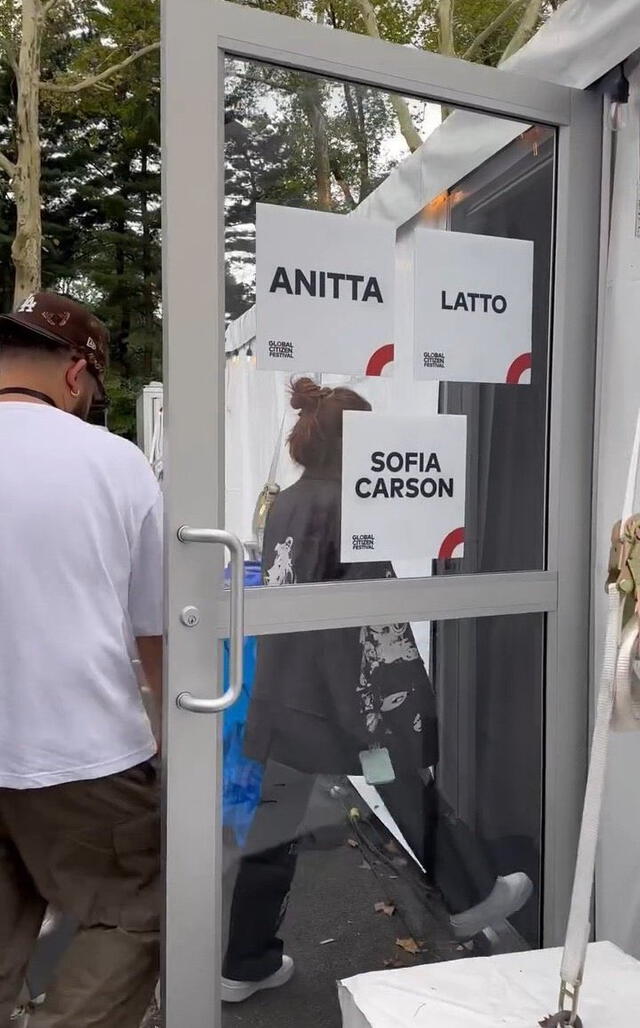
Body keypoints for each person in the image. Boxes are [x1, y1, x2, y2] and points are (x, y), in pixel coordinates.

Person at [221, 378, 532, 1004]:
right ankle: (472, 900)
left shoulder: (287, 501)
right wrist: (373, 714)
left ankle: (242, 960)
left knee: (275, 827)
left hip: (289, 699)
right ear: (359, 442)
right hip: (344, 705)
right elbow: (363, 618)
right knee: (405, 783)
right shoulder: (346, 507)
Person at [0, 292, 163, 1028]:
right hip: (83, 751)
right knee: (138, 904)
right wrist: (167, 728)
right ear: (75, 375)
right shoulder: (114, 460)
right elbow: (155, 630)